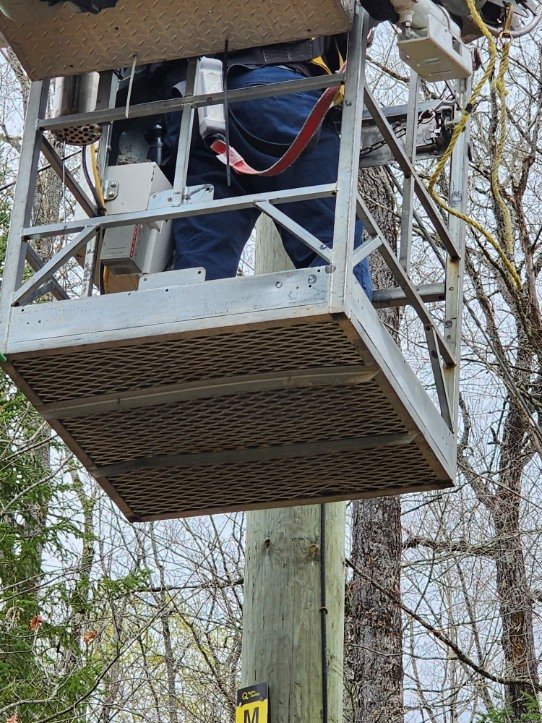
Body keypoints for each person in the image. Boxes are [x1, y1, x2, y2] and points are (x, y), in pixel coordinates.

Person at [152, 3, 398, 297]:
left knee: (202, 270)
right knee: (331, 253)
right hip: (274, 94)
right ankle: (341, 329)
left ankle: (189, 334)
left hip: (189, 110)